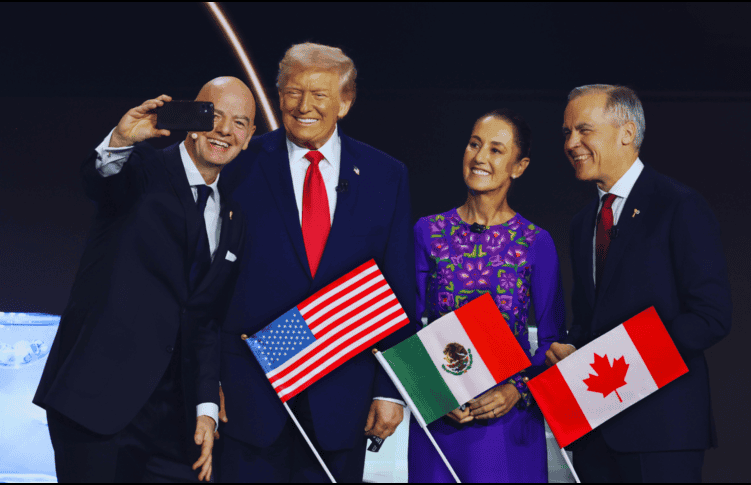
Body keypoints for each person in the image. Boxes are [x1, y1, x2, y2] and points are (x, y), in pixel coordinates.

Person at [33, 77, 256, 482]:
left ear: (250, 135)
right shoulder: (142, 169)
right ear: (192, 116)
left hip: (175, 423)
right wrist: (120, 139)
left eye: (239, 122)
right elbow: (100, 178)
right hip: (95, 404)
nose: (225, 130)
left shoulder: (234, 218)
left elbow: (205, 319)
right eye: (214, 115)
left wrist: (206, 409)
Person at [215, 42, 415, 483]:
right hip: (249, 392)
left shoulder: (386, 176)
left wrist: (390, 392)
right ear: (278, 95)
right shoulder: (240, 163)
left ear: (345, 102)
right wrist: (208, 381)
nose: (304, 106)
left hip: (342, 398)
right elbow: (209, 283)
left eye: (320, 95)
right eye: (292, 92)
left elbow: (399, 288)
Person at [545, 84, 732, 482]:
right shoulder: (583, 224)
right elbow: (589, 320)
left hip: (662, 432)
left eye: (583, 130)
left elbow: (711, 316)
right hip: (595, 432)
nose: (571, 143)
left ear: (627, 133)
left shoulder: (679, 205)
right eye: (566, 133)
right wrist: (573, 348)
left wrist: (624, 357)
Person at [410, 109, 566, 482]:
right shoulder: (427, 232)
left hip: (508, 422)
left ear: (519, 166)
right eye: (474, 144)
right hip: (441, 414)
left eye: (496, 150)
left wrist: (517, 390)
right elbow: (406, 326)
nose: (479, 157)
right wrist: (434, 392)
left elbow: (551, 341)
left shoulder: (536, 242)